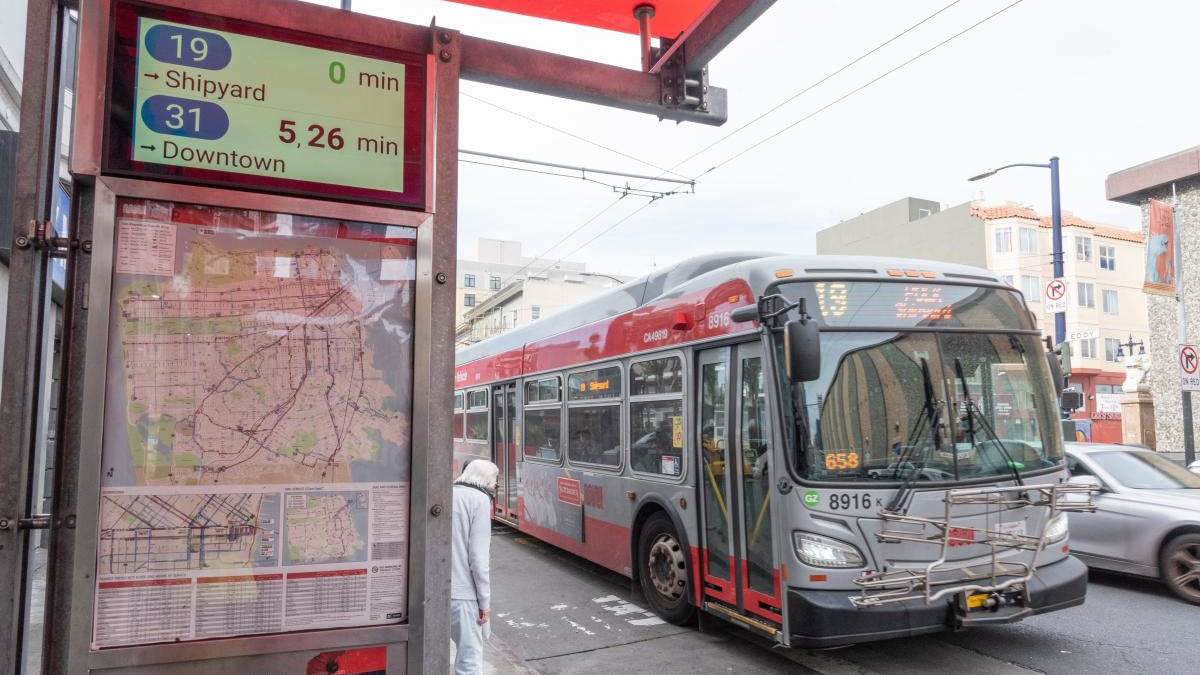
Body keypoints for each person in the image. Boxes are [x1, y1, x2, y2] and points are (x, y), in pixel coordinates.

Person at [451, 460, 499, 675]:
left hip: (432, 592)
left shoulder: (448, 493)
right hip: (463, 596)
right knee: (469, 662)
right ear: (487, 481)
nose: (494, 489)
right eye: (495, 484)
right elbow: (479, 560)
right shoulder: (479, 500)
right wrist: (485, 603)